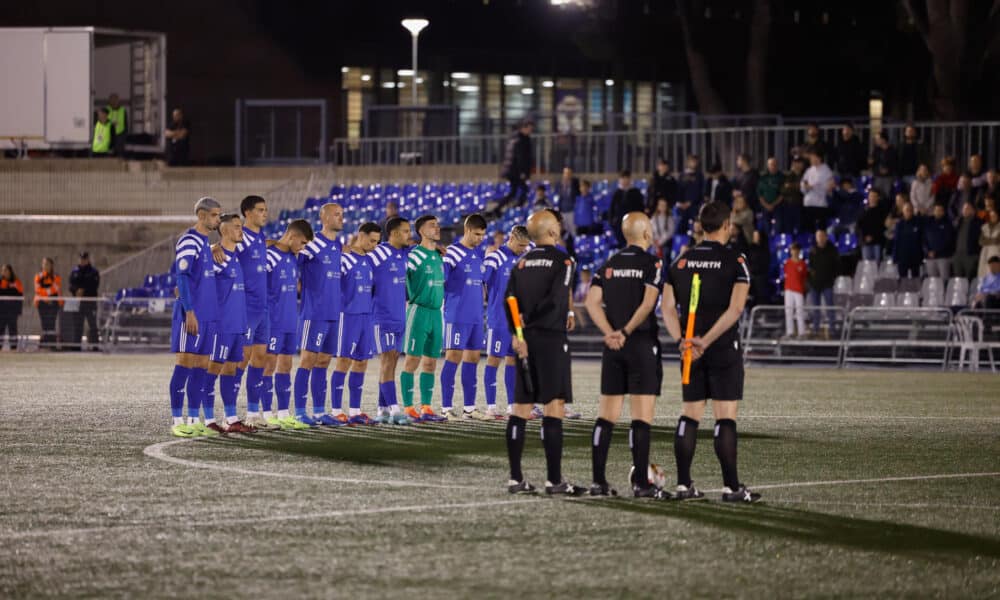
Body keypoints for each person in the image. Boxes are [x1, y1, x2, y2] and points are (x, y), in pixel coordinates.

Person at [661, 201, 760, 503]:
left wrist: (684, 340)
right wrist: (707, 340)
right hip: (722, 347)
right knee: (724, 417)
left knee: (690, 414)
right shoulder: (735, 260)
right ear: (727, 226)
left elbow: (666, 307)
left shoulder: (680, 261)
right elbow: (736, 308)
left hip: (690, 349)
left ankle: (683, 484)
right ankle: (731, 487)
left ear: (701, 226)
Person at [584, 212, 666, 498]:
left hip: (613, 348)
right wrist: (627, 332)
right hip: (639, 344)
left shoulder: (610, 263)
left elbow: (591, 301)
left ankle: (598, 483)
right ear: (645, 234)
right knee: (641, 419)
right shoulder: (652, 262)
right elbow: (648, 304)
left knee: (605, 418)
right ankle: (641, 485)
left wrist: (610, 333)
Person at [504, 210, 583, 496]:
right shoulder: (564, 260)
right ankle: (554, 480)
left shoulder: (521, 262)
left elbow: (508, 299)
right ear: (552, 232)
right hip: (551, 340)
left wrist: (518, 334)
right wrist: (537, 321)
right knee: (554, 407)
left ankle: (515, 479)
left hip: (526, 342)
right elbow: (555, 300)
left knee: (520, 410)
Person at [167, 197, 222, 438]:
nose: (218, 220)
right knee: (185, 364)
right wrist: (189, 311)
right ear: (201, 215)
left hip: (208, 316)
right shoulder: (189, 240)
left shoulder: (204, 244)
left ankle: (193, 418)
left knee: (202, 367)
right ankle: (178, 419)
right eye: (214, 216)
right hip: (192, 315)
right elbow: (182, 276)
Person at [294, 203, 344, 427]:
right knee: (307, 360)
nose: (341, 218)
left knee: (323, 361)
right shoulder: (312, 245)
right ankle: (298, 412)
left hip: (334, 313)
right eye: (336, 214)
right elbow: (291, 260)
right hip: (314, 313)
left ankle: (319, 411)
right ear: (323, 217)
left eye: (342, 215)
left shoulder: (338, 245)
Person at [261, 219, 314, 430]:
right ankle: (266, 413)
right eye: (301, 243)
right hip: (272, 320)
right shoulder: (270, 256)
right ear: (291, 236)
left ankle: (283, 413)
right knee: (268, 365)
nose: (303, 248)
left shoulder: (294, 257)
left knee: (286, 365)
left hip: (290, 319)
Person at [327, 222, 382, 426]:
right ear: (361, 235)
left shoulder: (369, 260)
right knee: (344, 361)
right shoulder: (344, 259)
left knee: (361, 362)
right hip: (347, 315)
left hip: (366, 316)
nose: (375, 245)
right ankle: (336, 410)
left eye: (377, 242)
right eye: (372, 240)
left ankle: (355, 410)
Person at [206, 213, 256, 434]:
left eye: (241, 226)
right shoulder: (215, 256)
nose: (241, 230)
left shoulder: (236, 256)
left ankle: (231, 418)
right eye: (236, 227)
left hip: (237, 325)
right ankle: (207, 419)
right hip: (221, 326)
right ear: (224, 230)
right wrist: (211, 248)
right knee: (211, 370)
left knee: (231, 371)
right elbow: (195, 276)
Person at [440, 214, 489, 420]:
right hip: (457, 315)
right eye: (477, 234)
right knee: (453, 358)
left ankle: (469, 408)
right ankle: (446, 408)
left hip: (477, 316)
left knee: (473, 359)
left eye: (482, 235)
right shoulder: (451, 253)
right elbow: (441, 280)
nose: (480, 239)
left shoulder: (478, 254)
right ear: (467, 230)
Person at [229, 196, 272, 430]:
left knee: (260, 360)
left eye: (266, 210)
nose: (265, 214)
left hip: (262, 308)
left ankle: (253, 413)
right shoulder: (241, 238)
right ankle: (230, 413)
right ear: (247, 213)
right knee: (241, 360)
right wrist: (215, 248)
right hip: (245, 308)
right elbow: (223, 248)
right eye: (260, 210)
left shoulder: (261, 237)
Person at [400, 215, 448, 423]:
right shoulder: (413, 256)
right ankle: (409, 408)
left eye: (437, 225)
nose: (437, 229)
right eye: (432, 226)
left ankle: (426, 407)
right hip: (418, 311)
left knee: (430, 363)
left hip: (437, 313)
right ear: (420, 231)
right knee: (412, 360)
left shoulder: (439, 256)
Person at [369, 217, 414, 425]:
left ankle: (383, 409)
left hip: (399, 317)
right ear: (394, 234)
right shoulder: (379, 253)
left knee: (392, 362)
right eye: (405, 231)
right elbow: (361, 263)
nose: (409, 235)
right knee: (387, 361)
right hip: (382, 317)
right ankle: (395, 409)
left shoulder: (405, 254)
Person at [483, 225, 531, 418]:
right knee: (494, 359)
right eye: (520, 245)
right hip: (499, 319)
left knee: (513, 360)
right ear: (511, 238)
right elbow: (482, 281)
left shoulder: (523, 258)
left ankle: (512, 405)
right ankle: (491, 406)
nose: (522, 249)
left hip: (517, 321)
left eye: (525, 246)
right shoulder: (494, 257)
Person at [496, 120, 534, 212]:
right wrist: (523, 172)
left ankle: (499, 208)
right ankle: (515, 208)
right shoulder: (521, 140)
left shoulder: (515, 138)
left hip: (512, 171)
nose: (531, 131)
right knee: (523, 190)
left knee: (515, 191)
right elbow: (521, 158)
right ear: (524, 128)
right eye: (529, 128)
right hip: (516, 171)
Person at [807, 230, 838, 339]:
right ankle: (816, 329)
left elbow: (837, 266)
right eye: (818, 236)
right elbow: (810, 267)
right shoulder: (812, 250)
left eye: (821, 236)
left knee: (830, 307)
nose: (819, 238)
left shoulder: (832, 250)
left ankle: (832, 330)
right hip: (815, 284)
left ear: (826, 237)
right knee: (816, 309)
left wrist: (832, 278)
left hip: (827, 284)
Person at [68, 252, 100, 351]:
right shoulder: (74, 271)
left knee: (92, 325)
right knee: (77, 324)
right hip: (77, 301)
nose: (82, 261)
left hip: (90, 301)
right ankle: (76, 345)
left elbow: (94, 285)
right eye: (81, 259)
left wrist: (83, 290)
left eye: (84, 259)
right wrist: (76, 291)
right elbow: (71, 285)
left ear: (88, 259)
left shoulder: (93, 272)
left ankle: (95, 345)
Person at [608, 170, 646, 246]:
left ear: (630, 179)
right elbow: (612, 209)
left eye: (626, 178)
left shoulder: (636, 192)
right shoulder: (616, 193)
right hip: (619, 225)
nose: (625, 180)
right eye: (623, 178)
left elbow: (641, 208)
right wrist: (612, 222)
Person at [800, 151, 834, 233]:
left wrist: (814, 186)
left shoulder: (826, 170)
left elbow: (829, 187)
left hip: (820, 204)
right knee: (808, 228)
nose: (811, 160)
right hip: (808, 203)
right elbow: (803, 185)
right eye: (811, 158)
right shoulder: (808, 170)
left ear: (819, 158)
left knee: (821, 229)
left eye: (813, 157)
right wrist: (806, 187)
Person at [34, 257, 62, 349]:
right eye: (44, 264)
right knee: (44, 323)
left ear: (51, 265)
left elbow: (56, 288)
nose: (46, 266)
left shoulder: (56, 276)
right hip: (42, 303)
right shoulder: (38, 276)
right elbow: (37, 289)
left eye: (48, 264)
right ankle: (44, 342)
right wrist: (46, 296)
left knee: (51, 323)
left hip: (53, 303)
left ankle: (52, 343)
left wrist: (45, 293)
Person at [893, 201, 923, 279]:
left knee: (915, 279)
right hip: (902, 257)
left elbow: (921, 240)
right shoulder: (899, 224)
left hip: (915, 257)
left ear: (913, 211)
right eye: (907, 210)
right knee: (902, 279)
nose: (908, 212)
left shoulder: (918, 223)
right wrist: (895, 257)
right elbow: (896, 241)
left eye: (910, 210)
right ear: (903, 211)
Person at [952, 201, 982, 279]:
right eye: (964, 209)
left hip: (970, 255)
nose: (965, 210)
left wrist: (976, 254)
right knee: (958, 279)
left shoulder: (978, 223)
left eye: (968, 208)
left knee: (969, 278)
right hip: (958, 255)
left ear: (973, 210)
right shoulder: (958, 222)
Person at [923, 203, 955, 279]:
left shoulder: (948, 224)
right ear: (934, 211)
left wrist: (936, 252)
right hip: (930, 258)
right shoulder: (928, 224)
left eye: (940, 210)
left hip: (943, 257)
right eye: (936, 210)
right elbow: (924, 240)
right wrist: (928, 251)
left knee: (944, 280)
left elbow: (949, 241)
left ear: (943, 212)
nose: (938, 212)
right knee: (933, 282)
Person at [783, 243, 807, 339]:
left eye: (796, 249)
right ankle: (790, 332)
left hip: (798, 290)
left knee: (799, 311)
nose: (794, 252)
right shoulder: (787, 263)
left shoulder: (802, 264)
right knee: (788, 311)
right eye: (792, 250)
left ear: (799, 251)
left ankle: (801, 333)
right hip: (788, 290)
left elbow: (804, 277)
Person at [857, 189, 888, 262]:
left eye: (874, 196)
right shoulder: (863, 210)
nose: (872, 198)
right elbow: (859, 226)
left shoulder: (882, 211)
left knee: (878, 265)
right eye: (871, 196)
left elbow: (883, 227)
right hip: (866, 242)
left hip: (878, 242)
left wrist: (873, 236)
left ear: (878, 197)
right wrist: (865, 237)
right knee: (868, 266)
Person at [757, 157, 784, 236]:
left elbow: (782, 194)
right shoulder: (763, 178)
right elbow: (759, 193)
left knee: (778, 227)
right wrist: (766, 205)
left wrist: (773, 205)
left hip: (778, 206)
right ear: (768, 166)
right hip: (765, 206)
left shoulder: (781, 177)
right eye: (771, 164)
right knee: (766, 227)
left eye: (774, 164)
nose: (773, 166)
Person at [677, 155, 704, 234]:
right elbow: (679, 190)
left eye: (695, 161)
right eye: (692, 161)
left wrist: (690, 202)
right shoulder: (682, 175)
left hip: (694, 205)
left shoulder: (699, 176)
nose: (693, 163)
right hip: (682, 206)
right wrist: (680, 203)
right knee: (681, 224)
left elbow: (699, 191)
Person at [0, 264, 23, 350]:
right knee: (0, 328)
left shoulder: (16, 282)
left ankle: (13, 346)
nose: (4, 272)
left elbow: (20, 295)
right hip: (1, 310)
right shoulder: (0, 281)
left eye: (6, 270)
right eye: (3, 270)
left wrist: (18, 310)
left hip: (12, 311)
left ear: (10, 271)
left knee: (13, 329)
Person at [869, 131, 898, 199]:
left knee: (887, 197)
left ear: (883, 139)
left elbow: (895, 164)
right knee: (877, 196)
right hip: (878, 177)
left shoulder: (892, 150)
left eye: (877, 139)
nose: (876, 141)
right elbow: (872, 163)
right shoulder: (876, 150)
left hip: (889, 177)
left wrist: (888, 170)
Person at [746, 229, 772, 306]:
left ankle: (761, 314)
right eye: (754, 236)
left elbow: (765, 263)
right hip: (751, 275)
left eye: (757, 236)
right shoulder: (750, 248)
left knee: (761, 296)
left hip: (761, 276)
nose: (755, 237)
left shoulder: (764, 249)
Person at [554, 166, 580, 235]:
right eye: (565, 173)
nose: (567, 175)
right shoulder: (559, 184)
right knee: (563, 232)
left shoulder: (575, 184)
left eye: (569, 173)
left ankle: (573, 245)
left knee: (573, 231)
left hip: (572, 212)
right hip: (562, 211)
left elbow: (578, 195)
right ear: (563, 174)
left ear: (571, 174)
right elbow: (557, 197)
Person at [979, 208, 1000, 278]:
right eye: (991, 216)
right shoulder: (985, 227)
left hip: (996, 252)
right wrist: (992, 240)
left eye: (994, 216)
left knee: (995, 275)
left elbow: (997, 240)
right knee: (984, 275)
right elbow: (981, 241)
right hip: (985, 253)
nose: (992, 218)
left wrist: (987, 240)